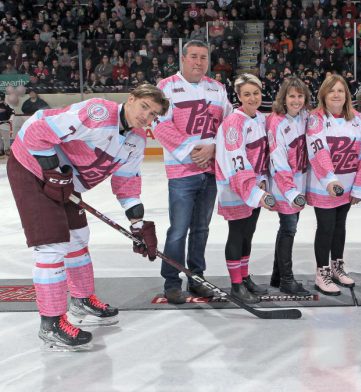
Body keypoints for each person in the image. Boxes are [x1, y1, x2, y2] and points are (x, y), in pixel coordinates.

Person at [6, 84, 168, 351]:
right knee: (51, 246)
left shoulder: (136, 140)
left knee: (78, 237)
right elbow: (36, 132)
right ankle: (52, 323)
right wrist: (51, 170)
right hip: (31, 167)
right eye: (144, 107)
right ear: (131, 99)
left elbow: (126, 183)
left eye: (152, 114)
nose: (146, 116)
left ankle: (81, 299)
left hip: (65, 182)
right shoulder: (98, 112)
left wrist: (138, 225)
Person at [153, 40, 234, 304]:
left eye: (203, 58)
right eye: (194, 57)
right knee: (178, 229)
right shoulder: (165, 88)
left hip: (210, 170)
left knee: (201, 228)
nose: (199, 62)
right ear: (183, 58)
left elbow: (228, 126)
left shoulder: (217, 88)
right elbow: (160, 126)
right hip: (181, 172)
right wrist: (194, 151)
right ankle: (172, 282)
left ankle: (196, 278)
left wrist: (212, 148)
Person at [305, 74, 361, 295]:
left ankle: (337, 266)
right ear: (323, 94)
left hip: (348, 182)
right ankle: (321, 272)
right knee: (326, 227)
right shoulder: (316, 118)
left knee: (340, 225)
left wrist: (360, 186)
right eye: (331, 90)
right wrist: (330, 180)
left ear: (346, 95)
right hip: (324, 185)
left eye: (340, 90)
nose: (336, 94)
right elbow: (318, 150)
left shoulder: (357, 119)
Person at [215, 73, 274, 303]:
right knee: (237, 234)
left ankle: (245, 276)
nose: (252, 98)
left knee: (248, 233)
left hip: (256, 187)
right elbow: (236, 159)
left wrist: (261, 184)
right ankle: (236, 284)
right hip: (237, 188)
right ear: (238, 96)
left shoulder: (260, 118)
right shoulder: (233, 123)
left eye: (256, 93)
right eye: (247, 94)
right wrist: (252, 187)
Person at [266, 77, 312, 296]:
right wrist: (291, 191)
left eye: (300, 96)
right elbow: (279, 161)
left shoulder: (304, 117)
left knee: (286, 229)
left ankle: (277, 275)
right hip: (284, 187)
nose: (296, 100)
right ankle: (286, 279)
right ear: (283, 98)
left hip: (298, 185)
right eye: (292, 96)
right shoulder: (276, 122)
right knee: (289, 229)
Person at [0, 92, 14, 156]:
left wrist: (10, 119)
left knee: (6, 138)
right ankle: (1, 150)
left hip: (4, 123)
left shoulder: (7, 105)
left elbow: (12, 113)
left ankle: (7, 149)